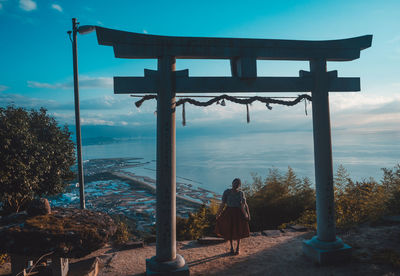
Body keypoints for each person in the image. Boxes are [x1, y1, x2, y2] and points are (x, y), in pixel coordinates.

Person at [215, 178, 250, 255]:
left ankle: (237, 247)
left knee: (238, 230)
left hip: (238, 213)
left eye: (237, 184)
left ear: (239, 185)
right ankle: (231, 247)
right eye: (235, 183)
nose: (235, 185)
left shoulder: (241, 193)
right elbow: (222, 204)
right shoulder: (226, 192)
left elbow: (243, 205)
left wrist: (246, 214)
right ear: (232, 183)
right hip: (228, 212)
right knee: (229, 229)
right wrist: (218, 214)